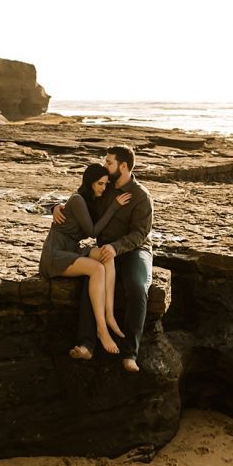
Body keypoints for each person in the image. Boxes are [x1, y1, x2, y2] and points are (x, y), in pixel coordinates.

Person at [54, 145, 153, 373]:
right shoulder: (103, 186)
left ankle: (130, 353)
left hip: (134, 250)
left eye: (109, 162)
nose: (104, 165)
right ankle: (86, 344)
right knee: (91, 281)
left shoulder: (141, 196)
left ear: (124, 166)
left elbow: (140, 233)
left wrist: (117, 247)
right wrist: (56, 207)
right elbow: (79, 201)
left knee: (137, 287)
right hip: (104, 251)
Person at [39, 163, 132, 355]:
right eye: (100, 184)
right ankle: (101, 330)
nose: (103, 188)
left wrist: (55, 206)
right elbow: (92, 231)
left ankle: (109, 314)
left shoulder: (90, 201)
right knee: (96, 269)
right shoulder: (78, 200)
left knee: (107, 254)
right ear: (89, 183)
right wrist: (114, 207)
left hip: (72, 249)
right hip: (55, 254)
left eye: (106, 184)